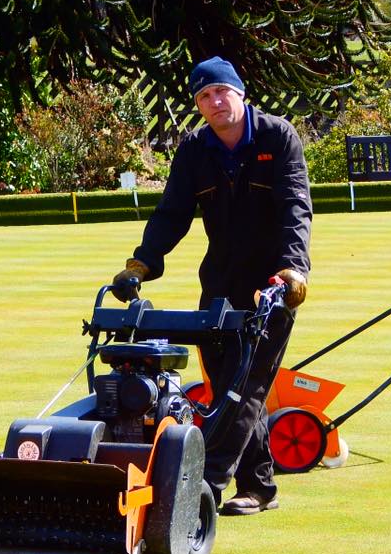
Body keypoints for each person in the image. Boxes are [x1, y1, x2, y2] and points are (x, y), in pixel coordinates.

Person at [110, 56, 312, 516]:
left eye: (221, 91)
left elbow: (295, 208)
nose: (215, 101)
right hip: (219, 283)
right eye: (204, 96)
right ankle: (260, 488)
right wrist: (142, 263)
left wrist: (294, 270)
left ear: (239, 93)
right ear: (199, 106)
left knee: (249, 384)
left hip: (273, 284)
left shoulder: (278, 138)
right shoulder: (195, 149)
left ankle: (203, 486)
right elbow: (172, 213)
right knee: (228, 385)